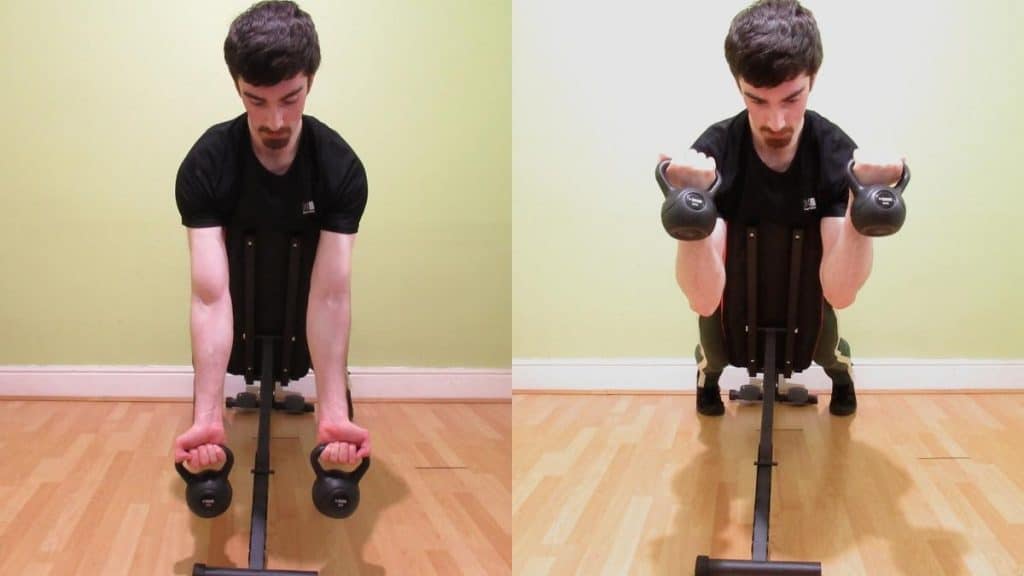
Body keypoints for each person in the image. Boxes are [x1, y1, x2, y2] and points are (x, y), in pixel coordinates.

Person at [658, 0, 906, 417]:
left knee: (825, 349)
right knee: (716, 350)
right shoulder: (716, 154)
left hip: (809, 292)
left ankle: (842, 378)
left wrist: (861, 203)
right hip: (731, 290)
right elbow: (703, 298)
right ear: (738, 85)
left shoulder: (833, 153)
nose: (776, 121)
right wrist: (693, 213)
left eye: (792, 99)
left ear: (813, 79)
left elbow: (840, 294)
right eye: (757, 100)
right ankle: (708, 379)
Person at [172, 1, 370, 473]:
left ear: (311, 82)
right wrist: (207, 418)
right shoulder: (206, 164)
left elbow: (330, 297)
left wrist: (334, 414)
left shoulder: (339, 168)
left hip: (301, 324)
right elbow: (210, 296)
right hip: (238, 316)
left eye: (291, 98)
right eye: (256, 100)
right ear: (237, 86)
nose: (275, 121)